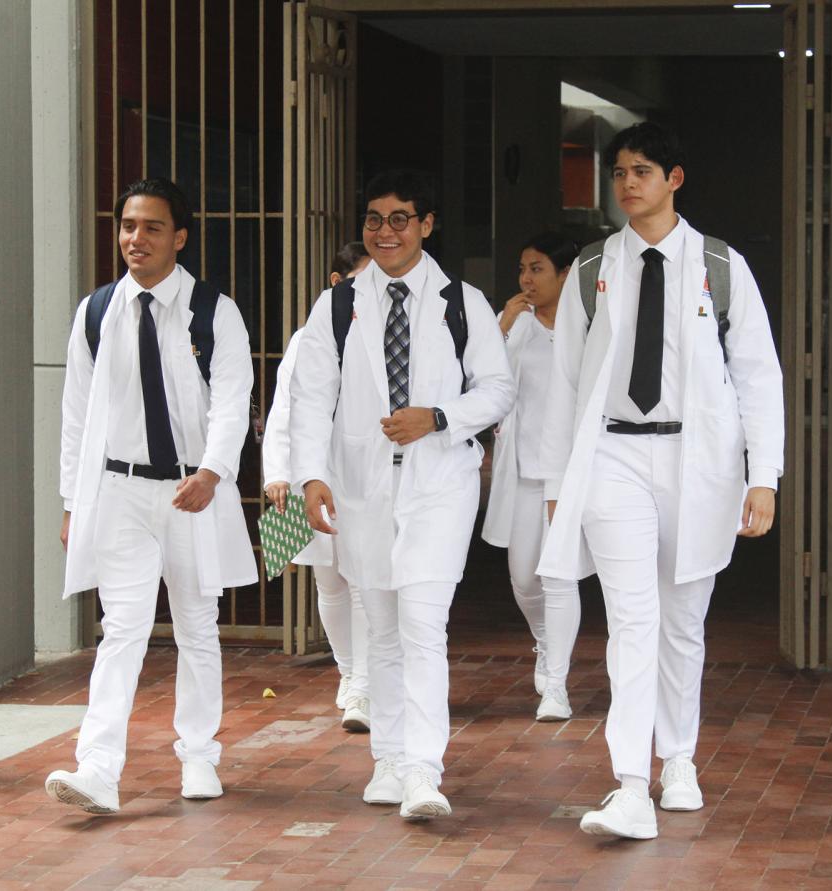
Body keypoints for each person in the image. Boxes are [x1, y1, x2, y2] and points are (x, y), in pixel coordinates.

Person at [536, 122, 784, 840]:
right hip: (613, 455)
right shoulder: (593, 267)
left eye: (641, 170)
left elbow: (758, 376)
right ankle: (629, 784)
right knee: (632, 620)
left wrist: (762, 476)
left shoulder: (720, 266)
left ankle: (678, 761)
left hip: (697, 460)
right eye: (619, 172)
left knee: (682, 622)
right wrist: (558, 483)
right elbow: (565, 382)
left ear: (674, 178)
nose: (627, 183)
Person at [289, 170, 515, 820]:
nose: (385, 231)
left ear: (426, 225)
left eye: (399, 219)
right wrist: (311, 474)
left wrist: (438, 417)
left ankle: (423, 770)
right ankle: (388, 758)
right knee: (381, 630)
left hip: (438, 483)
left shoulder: (461, 303)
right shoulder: (337, 306)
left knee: (422, 624)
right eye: (374, 219)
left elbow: (498, 389)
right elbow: (310, 396)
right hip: (362, 485)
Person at [46, 178, 257, 814]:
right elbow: (76, 413)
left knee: (196, 626)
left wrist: (213, 472)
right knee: (121, 629)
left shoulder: (213, 311)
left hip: (192, 491)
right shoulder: (96, 312)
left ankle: (199, 755)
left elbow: (233, 401)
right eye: (128, 226)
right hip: (119, 490)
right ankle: (97, 769)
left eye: (152, 228)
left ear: (180, 237)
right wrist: (72, 502)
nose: (136, 239)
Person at [261, 242, 372, 732]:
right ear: (336, 283)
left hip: (365, 471)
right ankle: (348, 672)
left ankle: (365, 684)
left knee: (364, 577)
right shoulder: (307, 337)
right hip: (315, 473)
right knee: (330, 581)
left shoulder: (386, 333)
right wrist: (278, 472)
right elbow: (285, 408)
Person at [481, 231, 583, 721]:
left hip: (568, 471)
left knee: (559, 576)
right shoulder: (516, 325)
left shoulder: (588, 326)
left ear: (565, 274)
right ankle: (544, 642)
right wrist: (501, 325)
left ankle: (557, 686)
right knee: (524, 578)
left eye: (538, 268)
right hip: (522, 469)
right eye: (523, 268)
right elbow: (480, 383)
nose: (526, 278)